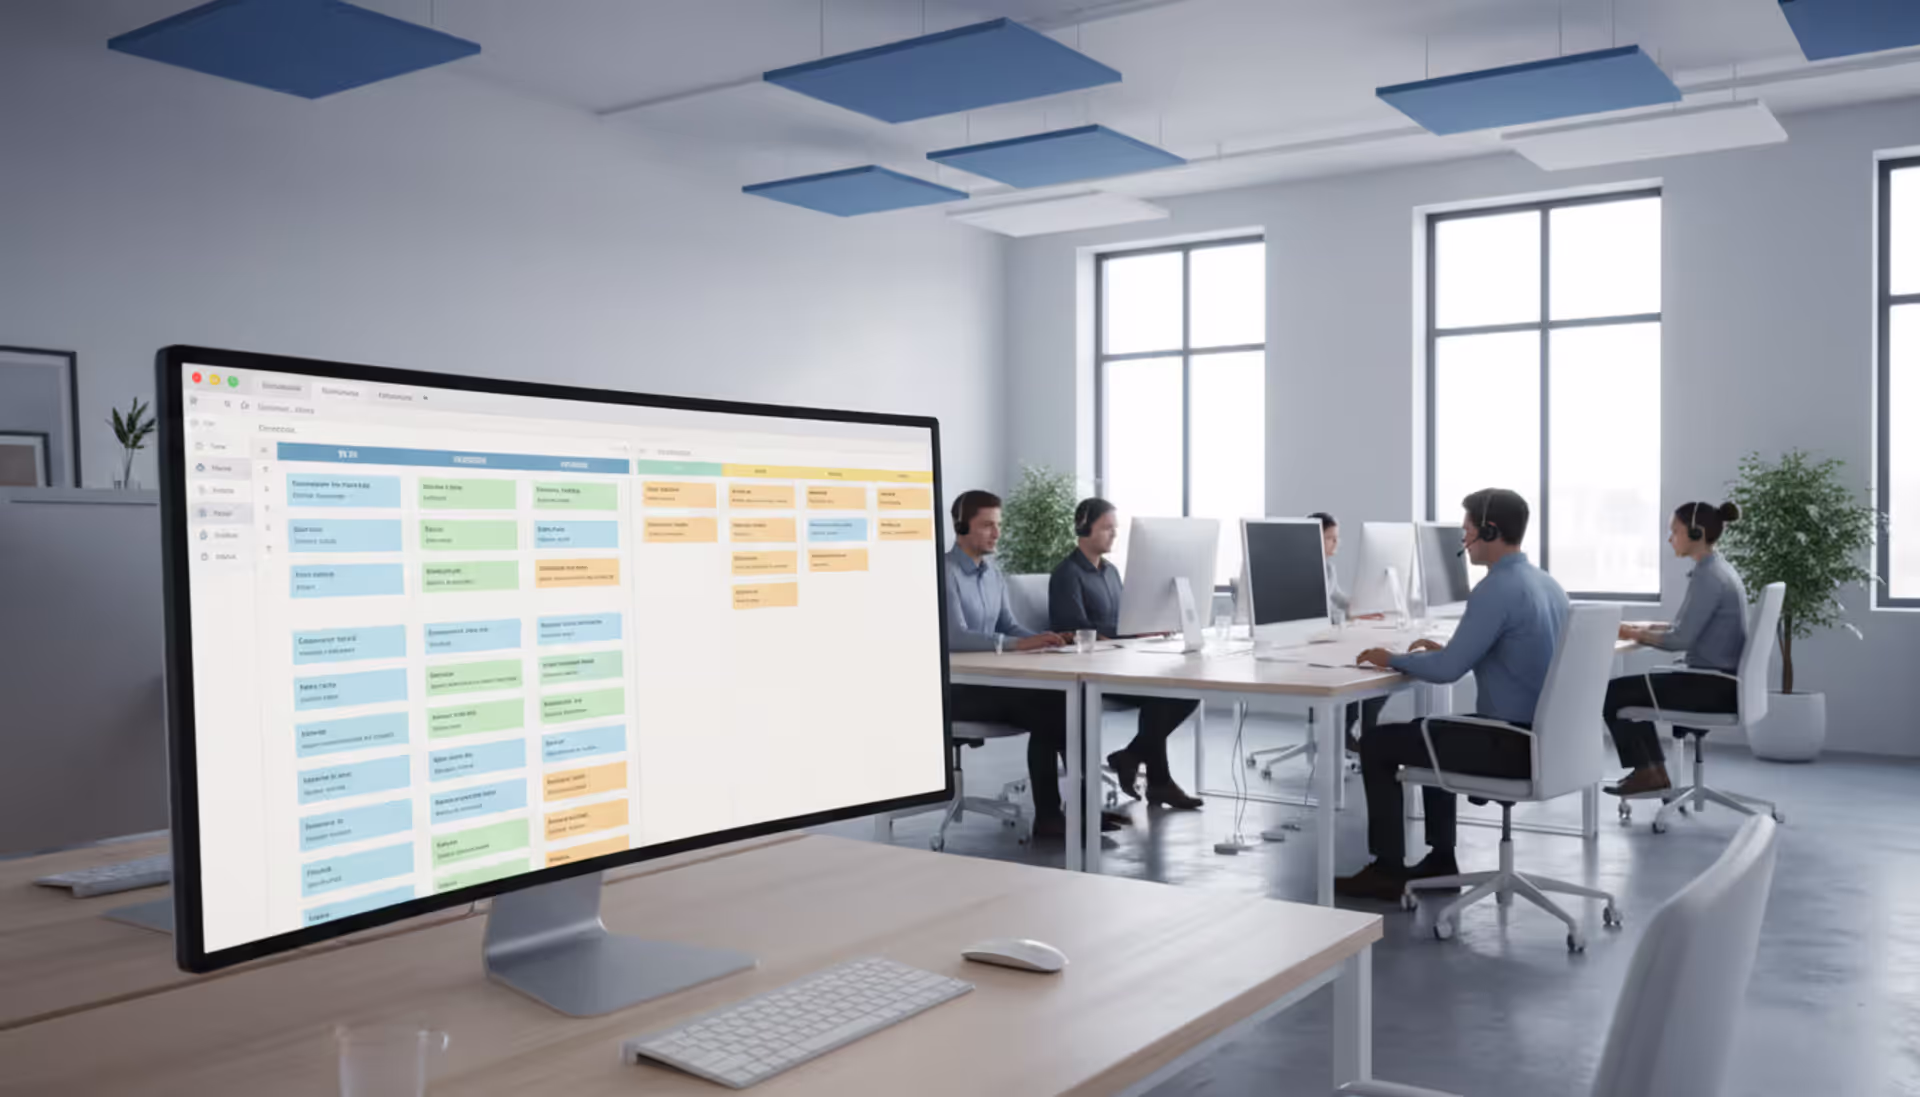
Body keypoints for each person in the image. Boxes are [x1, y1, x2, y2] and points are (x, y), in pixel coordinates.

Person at [1334, 488, 1570, 902]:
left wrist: (1391, 658)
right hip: (1543, 739)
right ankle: (1441, 857)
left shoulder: (1495, 589)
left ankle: (1387, 870)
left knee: (1377, 742)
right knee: (1432, 730)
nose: (1464, 541)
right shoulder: (1547, 585)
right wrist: (1448, 652)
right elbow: (1505, 653)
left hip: (1510, 745)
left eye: (1468, 531)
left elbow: (1446, 674)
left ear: (1490, 531)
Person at [944, 489, 1116, 840]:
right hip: (960, 689)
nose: (997, 533)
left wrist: (1045, 638)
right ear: (961, 526)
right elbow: (955, 636)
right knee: (1051, 708)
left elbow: (1008, 625)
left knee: (1063, 703)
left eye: (999, 525)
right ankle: (1052, 815)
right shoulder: (944, 573)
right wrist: (1017, 644)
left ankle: (1080, 809)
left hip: (994, 681)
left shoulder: (993, 575)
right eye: (987, 525)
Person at [1048, 498, 1204, 810]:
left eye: (1114, 529)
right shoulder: (1067, 574)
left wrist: (1144, 627)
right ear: (1084, 527)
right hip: (1090, 670)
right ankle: (1157, 781)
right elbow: (1075, 628)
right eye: (1107, 528)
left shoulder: (1111, 572)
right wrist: (1129, 634)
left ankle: (1133, 756)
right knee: (1160, 696)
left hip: (1119, 660)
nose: (1113, 535)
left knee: (1187, 690)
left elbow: (1123, 618)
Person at [1603, 502, 1749, 797]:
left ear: (1696, 533)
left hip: (1709, 686)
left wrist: (1629, 631)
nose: (1670, 538)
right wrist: (1640, 627)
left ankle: (1649, 772)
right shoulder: (1717, 569)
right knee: (1629, 692)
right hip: (1720, 682)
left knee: (1612, 693)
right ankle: (1651, 771)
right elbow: (1684, 627)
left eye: (1675, 531)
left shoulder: (1708, 577)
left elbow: (1679, 641)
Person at [1311, 511, 1385, 754]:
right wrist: (1345, 616)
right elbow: (1318, 611)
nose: (1336, 543)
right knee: (1358, 667)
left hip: (1330, 636)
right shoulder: (1301, 570)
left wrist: (1361, 607)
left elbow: (1338, 599)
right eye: (1330, 538)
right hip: (1314, 642)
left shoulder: (1328, 569)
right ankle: (1344, 730)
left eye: (1336, 537)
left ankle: (1358, 730)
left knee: (1376, 666)